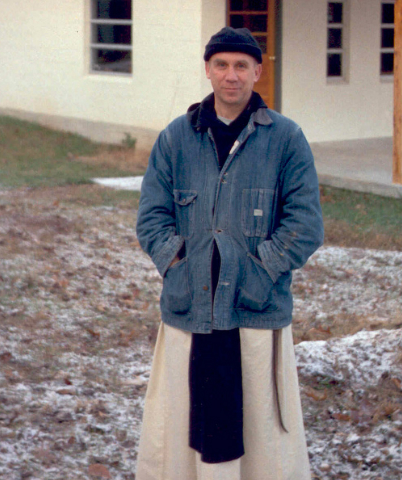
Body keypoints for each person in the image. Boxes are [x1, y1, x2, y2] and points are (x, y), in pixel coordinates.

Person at [135, 26, 324, 480]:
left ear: (258, 71)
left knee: (261, 442)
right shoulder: (176, 138)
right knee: (185, 431)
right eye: (221, 64)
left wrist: (258, 275)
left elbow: (305, 227)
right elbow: (151, 220)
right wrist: (179, 265)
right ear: (207, 70)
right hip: (190, 312)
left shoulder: (286, 139)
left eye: (241, 65)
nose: (231, 76)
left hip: (254, 316)